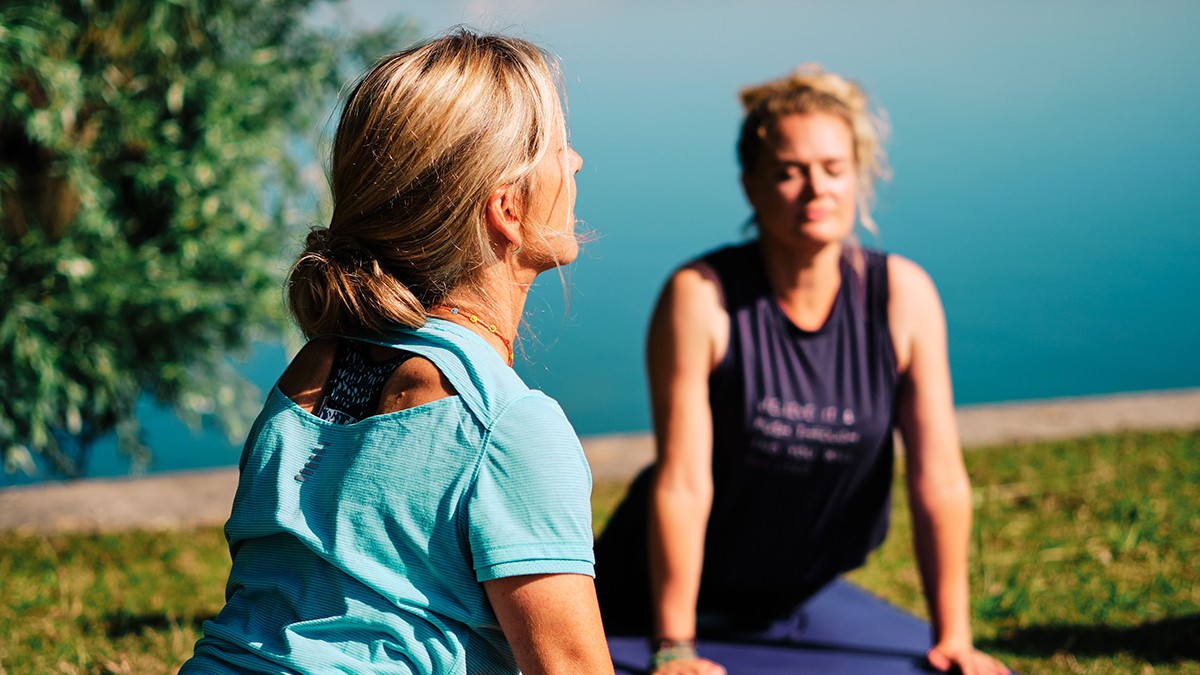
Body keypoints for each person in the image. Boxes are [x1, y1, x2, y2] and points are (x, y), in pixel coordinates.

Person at [180, 29, 613, 674]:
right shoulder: (509, 425)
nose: (575, 161)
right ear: (507, 209)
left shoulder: (310, 374)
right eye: (556, 147)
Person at [593, 65, 1010, 675]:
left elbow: (939, 478)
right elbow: (683, 482)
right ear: (751, 188)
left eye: (834, 169)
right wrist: (676, 648)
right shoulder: (700, 298)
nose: (817, 190)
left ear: (858, 178)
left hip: (789, 601)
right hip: (640, 604)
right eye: (790, 172)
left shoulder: (904, 296)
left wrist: (955, 638)